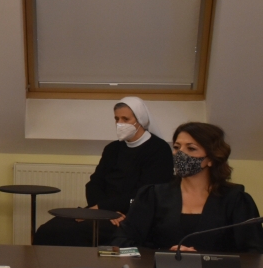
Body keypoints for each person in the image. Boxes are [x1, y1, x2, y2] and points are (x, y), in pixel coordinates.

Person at [34, 97, 173, 246]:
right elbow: (94, 183)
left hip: (132, 216)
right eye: (117, 119)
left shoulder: (159, 150)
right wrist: (101, 210)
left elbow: (146, 193)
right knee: (47, 230)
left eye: (125, 119)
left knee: (72, 232)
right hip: (103, 211)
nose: (120, 123)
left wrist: (107, 209)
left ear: (141, 120)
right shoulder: (112, 148)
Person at [114, 122, 263, 253]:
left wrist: (203, 259)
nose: (180, 154)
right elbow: (121, 243)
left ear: (211, 158)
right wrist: (165, 255)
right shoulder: (152, 195)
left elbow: (254, 252)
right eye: (177, 147)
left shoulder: (236, 200)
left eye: (191, 148)